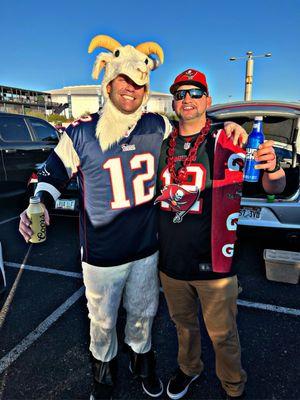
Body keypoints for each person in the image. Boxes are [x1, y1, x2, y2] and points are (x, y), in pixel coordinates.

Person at [19, 35, 247, 400]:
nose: (131, 90)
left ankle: (143, 364)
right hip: (102, 253)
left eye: (138, 85)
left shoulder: (157, 126)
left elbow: (199, 132)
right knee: (102, 323)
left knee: (143, 315)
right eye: (123, 83)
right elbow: (52, 175)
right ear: (107, 84)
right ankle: (103, 378)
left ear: (147, 89)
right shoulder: (80, 131)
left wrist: (229, 127)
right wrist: (39, 204)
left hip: (145, 249)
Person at [155, 68, 286, 400]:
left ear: (208, 101)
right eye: (181, 93)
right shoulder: (161, 144)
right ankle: (189, 369)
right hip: (171, 261)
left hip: (215, 263)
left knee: (223, 335)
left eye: (195, 93)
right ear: (173, 102)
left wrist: (272, 166)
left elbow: (275, 186)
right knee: (183, 328)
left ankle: (233, 386)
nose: (188, 99)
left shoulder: (228, 139)